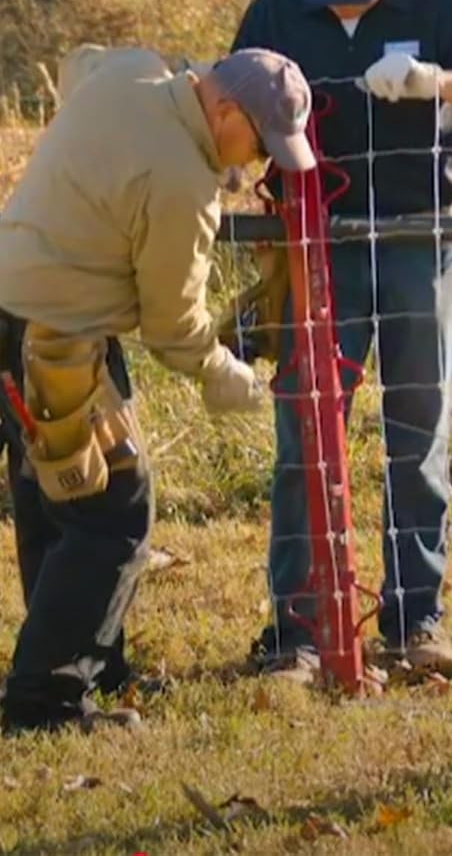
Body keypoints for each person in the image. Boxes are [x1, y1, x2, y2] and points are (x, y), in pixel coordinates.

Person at [232, 0, 452, 680]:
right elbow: (227, 115)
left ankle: (415, 620)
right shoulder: (274, 12)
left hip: (426, 237)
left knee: (419, 430)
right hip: (314, 242)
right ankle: (297, 634)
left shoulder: (444, 3)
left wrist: (439, 81)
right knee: (306, 431)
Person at [0, 44, 315, 734]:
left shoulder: (129, 73)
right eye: (260, 142)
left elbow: (77, 62)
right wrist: (224, 375)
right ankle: (42, 703)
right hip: (57, 336)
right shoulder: (183, 181)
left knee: (56, 503)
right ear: (224, 109)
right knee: (113, 514)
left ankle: (92, 666)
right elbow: (174, 326)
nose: (260, 163)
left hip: (20, 305)